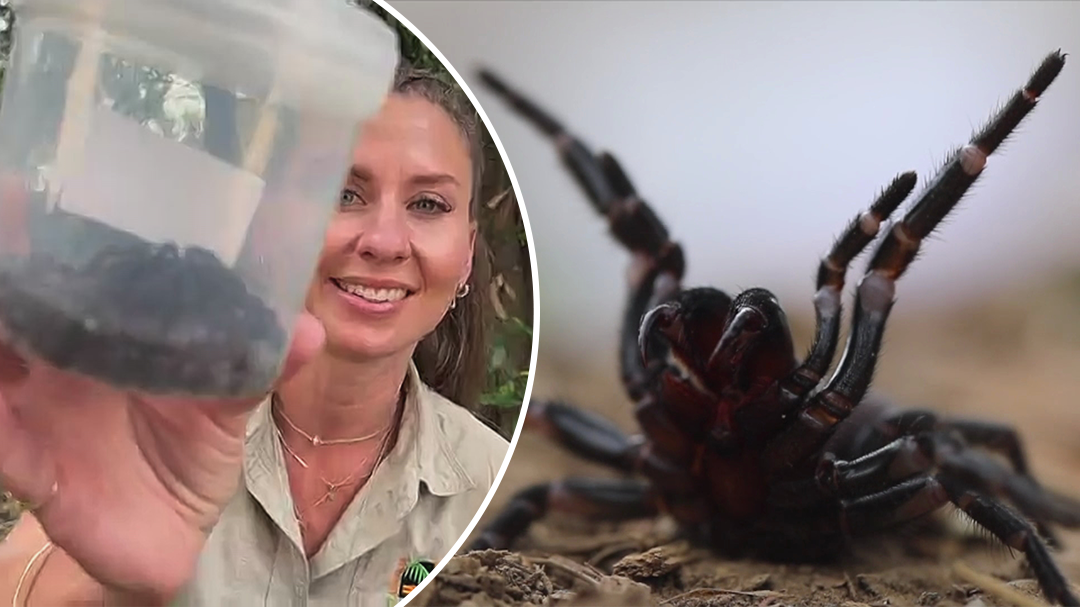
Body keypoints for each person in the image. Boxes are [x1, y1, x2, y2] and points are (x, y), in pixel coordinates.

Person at [0, 61, 513, 606]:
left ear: (465, 258)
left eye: (428, 204)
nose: (384, 242)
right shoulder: (163, 415)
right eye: (342, 193)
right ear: (267, 224)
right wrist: (113, 586)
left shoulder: (496, 489)